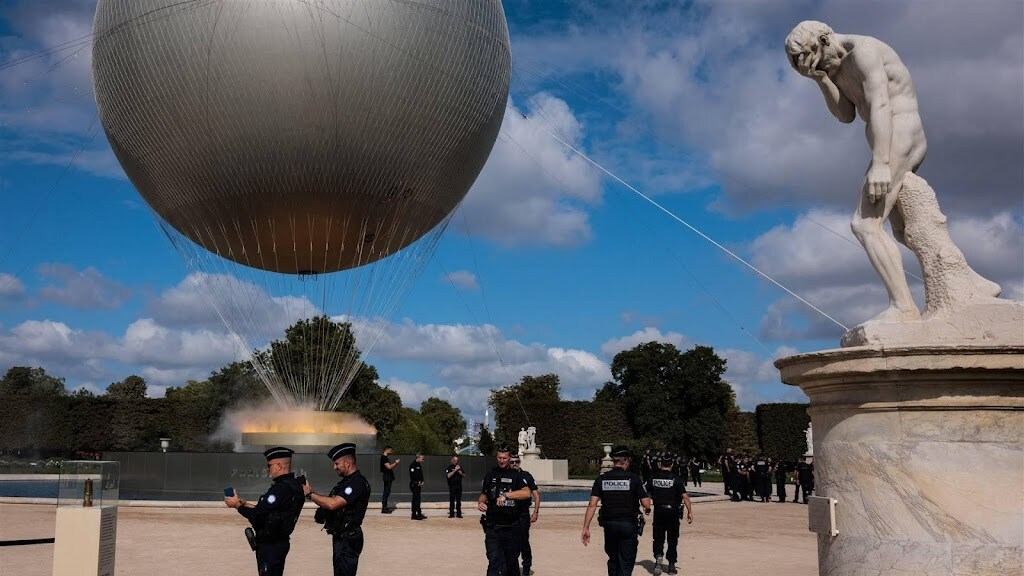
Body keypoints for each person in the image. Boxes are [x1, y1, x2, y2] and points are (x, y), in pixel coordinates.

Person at [785, 21, 929, 323]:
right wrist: (821, 80)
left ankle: (903, 308)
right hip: (890, 139)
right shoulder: (834, 67)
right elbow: (846, 115)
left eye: (819, 60)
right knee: (905, 231)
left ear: (825, 39)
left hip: (899, 132)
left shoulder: (863, 51)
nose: (823, 66)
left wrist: (880, 164)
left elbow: (879, 104)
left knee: (865, 225)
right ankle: (968, 280)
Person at [224, 447, 305, 576]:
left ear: (279, 466)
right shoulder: (293, 485)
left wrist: (237, 506)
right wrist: (242, 503)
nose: (268, 470)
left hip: (271, 545)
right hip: (279, 542)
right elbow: (265, 510)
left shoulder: (280, 489)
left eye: (270, 466)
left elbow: (258, 515)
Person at [582, 446, 652, 576]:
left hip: (610, 525)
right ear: (625, 461)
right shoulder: (633, 478)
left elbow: (592, 505)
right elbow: (646, 503)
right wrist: (647, 508)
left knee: (613, 560)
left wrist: (586, 527)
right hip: (628, 525)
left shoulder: (602, 479)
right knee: (626, 562)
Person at [305, 443, 371, 576]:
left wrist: (310, 494)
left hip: (348, 537)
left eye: (337, 463)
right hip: (341, 536)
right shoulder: (345, 483)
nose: (334, 467)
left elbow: (333, 504)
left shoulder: (356, 482)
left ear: (347, 463)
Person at [478, 445, 533, 576]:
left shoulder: (516, 476)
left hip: (511, 528)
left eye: (504, 458)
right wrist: (480, 502)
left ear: (509, 458)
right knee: (494, 562)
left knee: (511, 564)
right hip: (493, 527)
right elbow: (483, 494)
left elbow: (526, 493)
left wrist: (507, 495)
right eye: (499, 457)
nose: (502, 460)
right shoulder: (490, 475)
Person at [647, 454, 693, 576]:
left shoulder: (653, 478)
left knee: (658, 538)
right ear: (671, 465)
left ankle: (658, 558)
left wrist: (646, 508)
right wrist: (690, 512)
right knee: (672, 539)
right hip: (672, 512)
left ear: (660, 464)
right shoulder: (676, 479)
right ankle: (671, 565)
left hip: (659, 511)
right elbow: (685, 497)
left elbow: (646, 494)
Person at [511, 455, 541, 576]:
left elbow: (536, 494)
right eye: (512, 462)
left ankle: (526, 567)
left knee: (524, 541)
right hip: (509, 515)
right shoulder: (506, 475)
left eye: (516, 462)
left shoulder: (526, 476)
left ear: (519, 462)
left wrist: (536, 511)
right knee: (510, 541)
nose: (514, 464)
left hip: (522, 514)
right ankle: (512, 566)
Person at [379, 446, 399, 514]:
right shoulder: (384, 458)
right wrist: (396, 463)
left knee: (387, 492)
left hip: (387, 476)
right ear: (387, 450)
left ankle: (385, 507)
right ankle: (384, 508)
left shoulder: (385, 458)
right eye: (390, 450)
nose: (391, 452)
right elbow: (389, 467)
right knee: (386, 492)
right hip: (387, 476)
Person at [409, 453, 425, 520]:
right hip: (414, 485)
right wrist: (417, 482)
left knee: (418, 499)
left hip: (419, 484)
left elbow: (420, 474)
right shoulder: (412, 465)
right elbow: (412, 476)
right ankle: (414, 515)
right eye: (422, 459)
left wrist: (422, 480)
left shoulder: (419, 465)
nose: (423, 460)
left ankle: (419, 513)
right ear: (418, 458)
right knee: (415, 499)